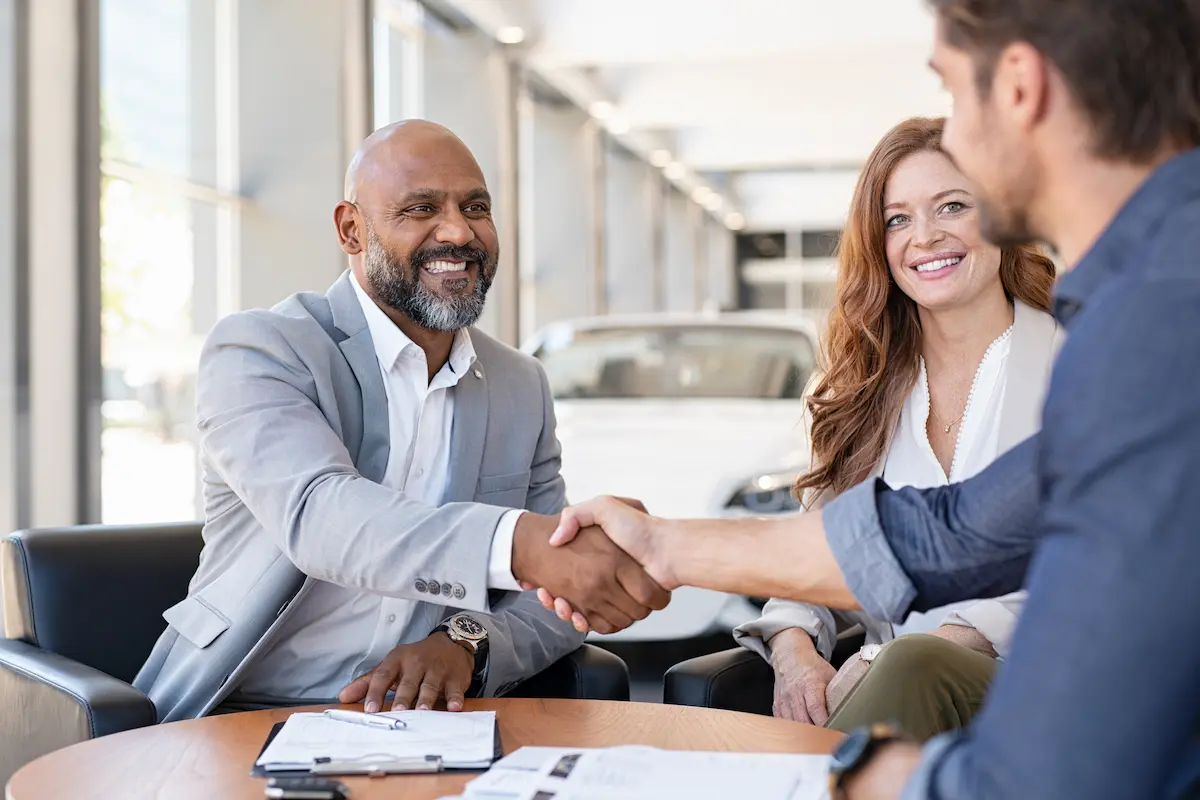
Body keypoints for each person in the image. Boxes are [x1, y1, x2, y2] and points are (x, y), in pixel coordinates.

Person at [537, 0, 1200, 796]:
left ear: (1019, 87)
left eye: (952, 93)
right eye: (900, 218)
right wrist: (665, 546)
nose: (955, 139)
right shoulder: (1138, 304)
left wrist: (853, 772)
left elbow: (1052, 764)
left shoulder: (1154, 323)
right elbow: (952, 536)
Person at [134, 120, 668, 722]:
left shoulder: (520, 384)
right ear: (352, 230)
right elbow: (321, 515)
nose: (459, 232)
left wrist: (463, 642)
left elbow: (550, 593)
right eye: (420, 209)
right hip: (238, 705)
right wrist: (517, 545)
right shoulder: (262, 350)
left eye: (476, 207)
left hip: (423, 718)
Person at [732, 116, 1061, 740]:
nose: (926, 237)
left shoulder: (1075, 364)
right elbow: (818, 547)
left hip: (1041, 687)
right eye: (898, 219)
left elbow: (1081, 566)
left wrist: (884, 657)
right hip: (885, 704)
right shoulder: (863, 387)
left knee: (915, 662)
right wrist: (795, 650)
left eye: (953, 206)